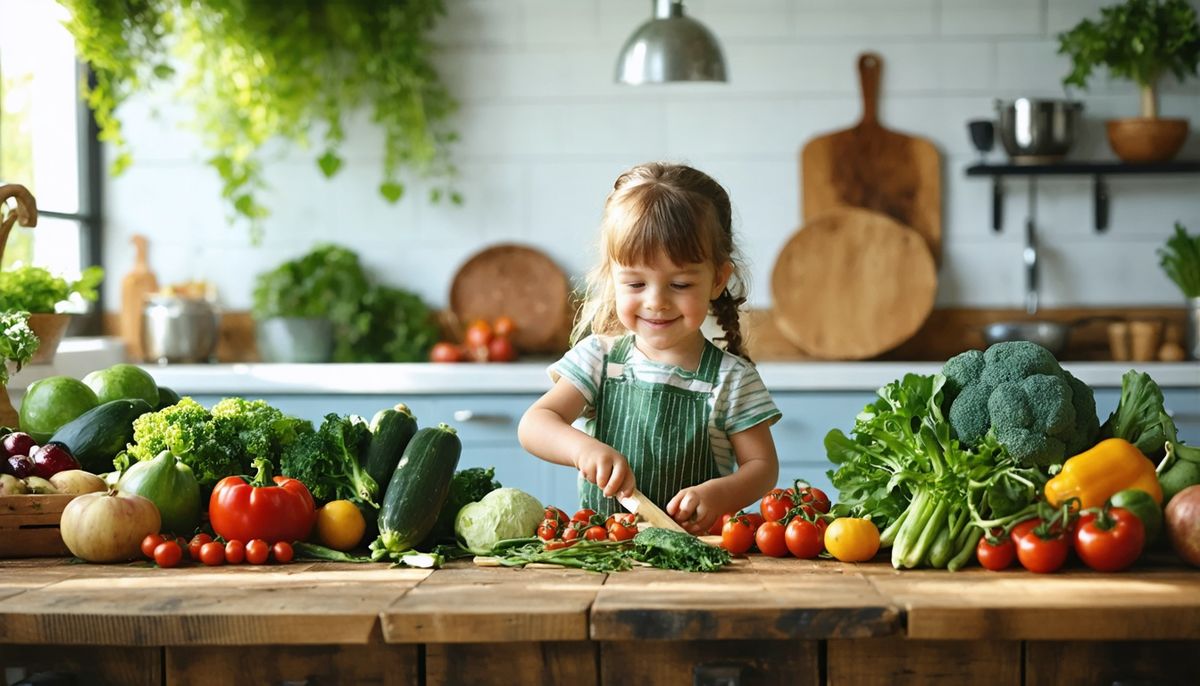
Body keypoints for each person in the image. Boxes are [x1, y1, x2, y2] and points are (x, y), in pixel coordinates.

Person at [517, 162, 781, 535]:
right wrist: (583, 450)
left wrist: (719, 494)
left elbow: (762, 467)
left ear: (717, 280)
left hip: (693, 556)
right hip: (605, 551)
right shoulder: (600, 360)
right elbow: (534, 424)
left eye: (680, 285)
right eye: (637, 284)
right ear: (613, 278)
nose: (656, 302)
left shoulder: (732, 379)